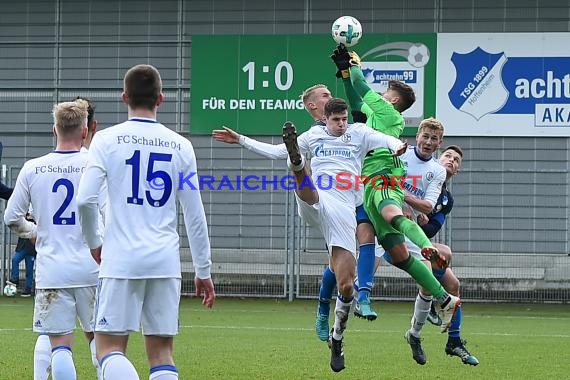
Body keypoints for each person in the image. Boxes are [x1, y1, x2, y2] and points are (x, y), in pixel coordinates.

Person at [212, 97, 408, 373]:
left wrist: (397, 146)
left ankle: (337, 339)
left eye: (343, 120)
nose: (341, 124)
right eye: (336, 120)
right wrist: (241, 139)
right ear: (325, 120)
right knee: (302, 177)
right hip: (316, 197)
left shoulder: (359, 133)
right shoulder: (313, 135)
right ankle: (297, 162)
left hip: (343, 207)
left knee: (346, 286)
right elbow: (274, 151)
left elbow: (384, 139)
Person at [77, 64, 215, 380]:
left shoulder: (107, 141)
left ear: (125, 97)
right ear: (161, 99)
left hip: (121, 259)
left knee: (108, 349)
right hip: (164, 262)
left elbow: (85, 200)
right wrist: (203, 270)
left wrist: (95, 243)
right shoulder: (182, 146)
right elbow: (194, 213)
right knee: (162, 354)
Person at [322, 45, 460, 337]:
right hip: (368, 181)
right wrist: (345, 72)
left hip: (381, 175)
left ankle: (427, 248)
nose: (381, 95)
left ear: (393, 100)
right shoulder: (376, 116)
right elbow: (354, 97)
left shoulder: (386, 113)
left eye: (385, 93)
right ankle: (444, 297)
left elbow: (361, 86)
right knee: (401, 257)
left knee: (391, 214)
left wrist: (354, 62)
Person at [4, 100, 102, 380]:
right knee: (102, 344)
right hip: (92, 267)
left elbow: (11, 216)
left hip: (52, 270)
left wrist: (34, 232)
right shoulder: (95, 165)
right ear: (85, 132)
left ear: (54, 130)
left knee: (60, 347)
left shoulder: (33, 168)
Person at [398, 145, 479, 366]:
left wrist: (422, 222)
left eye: (456, 160)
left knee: (453, 284)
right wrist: (407, 210)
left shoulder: (446, 200)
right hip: (395, 237)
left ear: (457, 170)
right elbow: (399, 191)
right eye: (448, 156)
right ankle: (433, 302)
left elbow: (432, 229)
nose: (452, 160)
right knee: (445, 254)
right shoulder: (423, 173)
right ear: (438, 158)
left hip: (417, 242)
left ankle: (450, 341)